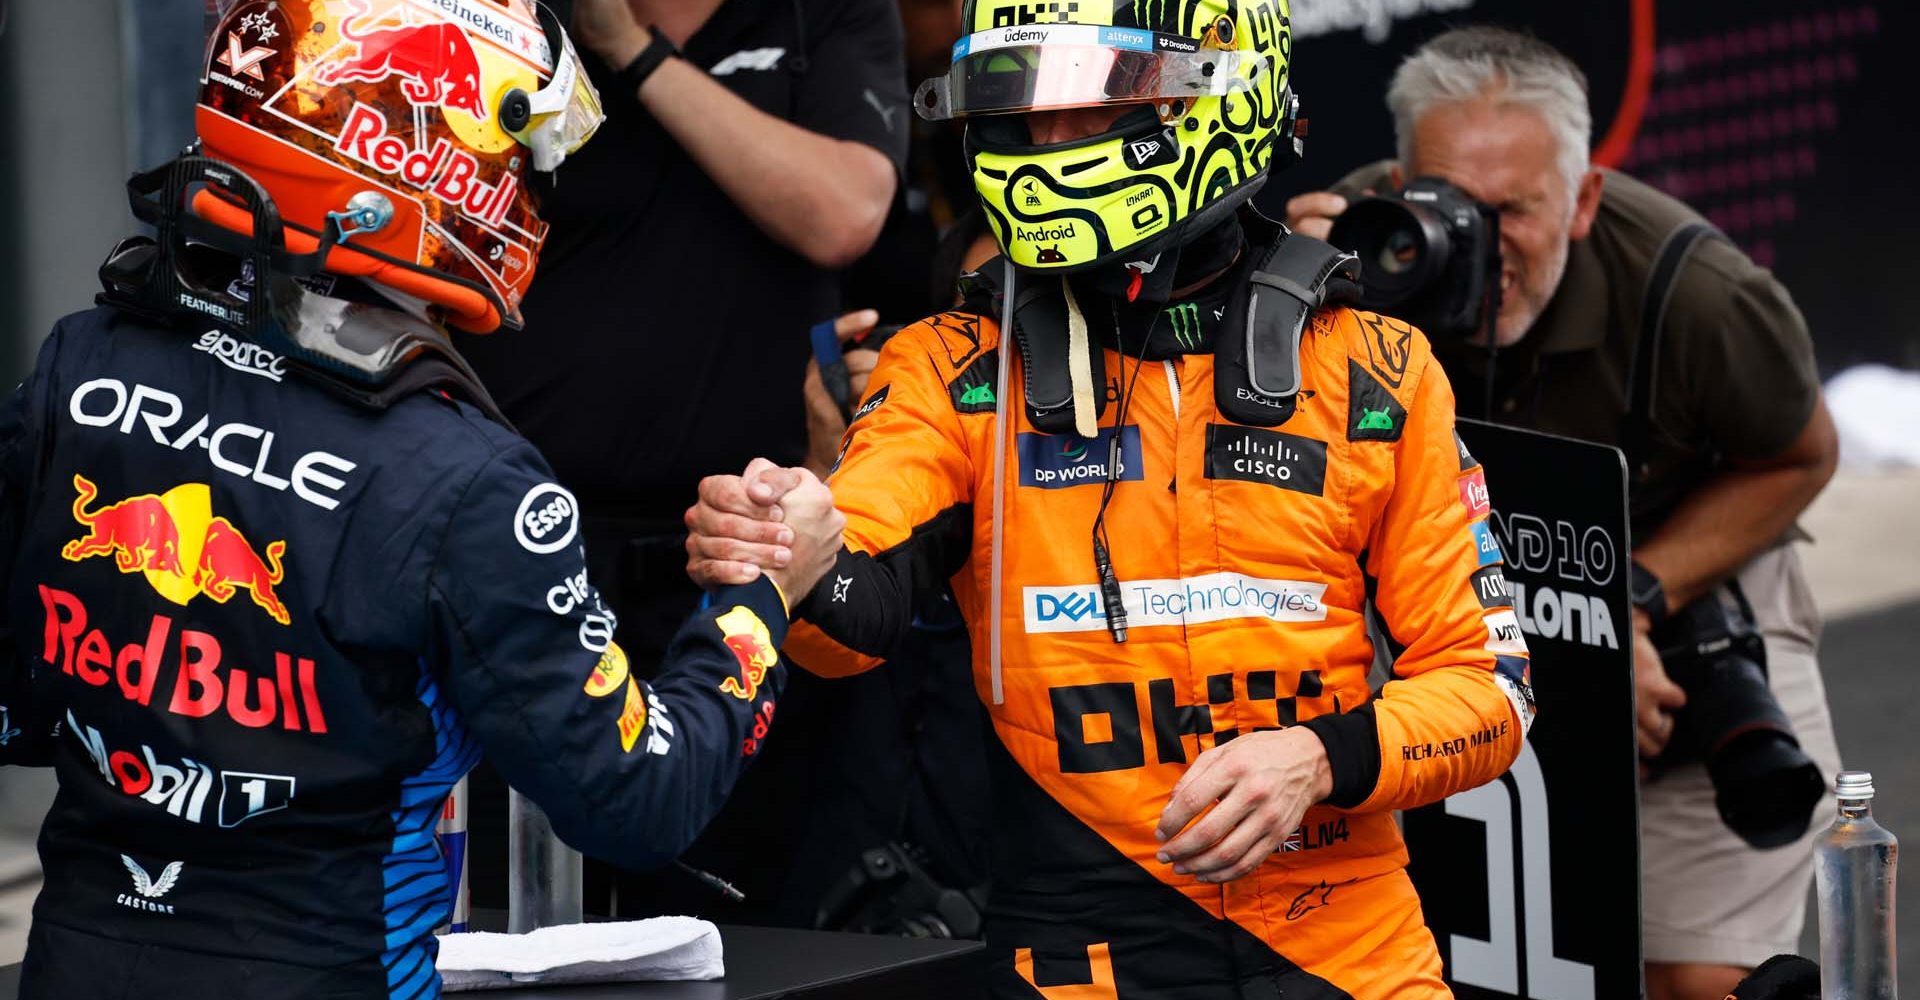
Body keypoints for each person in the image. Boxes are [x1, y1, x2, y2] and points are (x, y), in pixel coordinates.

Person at [686, 1, 1537, 995]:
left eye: (1092, 107)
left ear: (1221, 98)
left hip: (1352, 953)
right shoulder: (954, 369)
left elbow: (1491, 690)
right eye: (1022, 108)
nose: (1047, 142)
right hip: (1074, 957)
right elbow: (852, 615)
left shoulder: (1378, 368)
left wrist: (1318, 756)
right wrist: (791, 549)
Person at [0, 3, 843, 997]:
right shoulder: (465, 476)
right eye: (517, 150)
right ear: (417, 146)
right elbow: (640, 798)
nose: (533, 188)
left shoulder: (81, 360)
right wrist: (761, 595)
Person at [1284, 27, 1841, 1000]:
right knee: (1413, 947)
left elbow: (1802, 457)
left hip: (1683, 584)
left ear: (1583, 199)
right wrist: (1290, 296)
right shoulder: (1353, 251)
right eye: (1449, 203)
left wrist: (1622, 610)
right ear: (1401, 174)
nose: (1478, 244)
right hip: (1434, 589)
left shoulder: (1695, 293)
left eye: (1514, 210)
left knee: (1696, 974)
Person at [449, 0, 909, 918]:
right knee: (513, 904)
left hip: (744, 542)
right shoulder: (513, 18)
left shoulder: (832, 14)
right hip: (523, 542)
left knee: (740, 905)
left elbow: (845, 214)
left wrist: (631, 47)